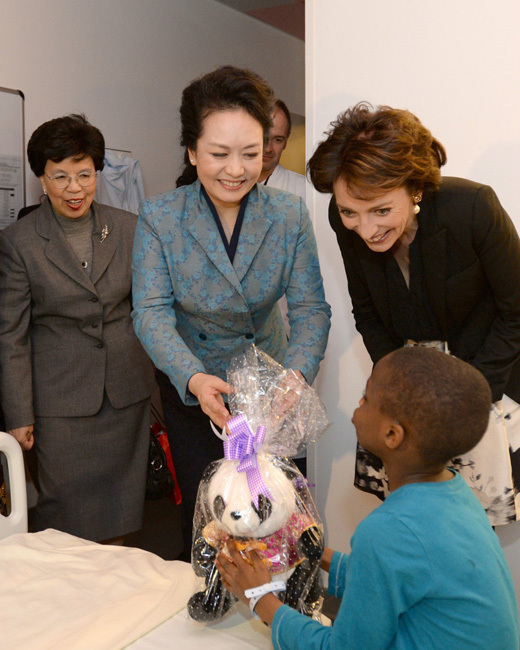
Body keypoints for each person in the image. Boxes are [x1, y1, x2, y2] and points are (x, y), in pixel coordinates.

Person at [132, 66, 331, 560]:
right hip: (196, 390)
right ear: (192, 151)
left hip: (272, 392)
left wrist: (297, 375)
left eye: (251, 153)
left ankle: (283, 620)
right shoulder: (161, 217)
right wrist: (193, 379)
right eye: (219, 154)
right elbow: (150, 313)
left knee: (277, 514)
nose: (236, 169)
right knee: (208, 517)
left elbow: (311, 309)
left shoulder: (288, 214)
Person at [216, 347, 520, 649]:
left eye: (367, 397)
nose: (358, 404)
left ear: (392, 435)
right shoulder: (457, 492)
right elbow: (387, 577)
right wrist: (310, 548)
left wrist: (259, 598)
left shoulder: (386, 531)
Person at [306, 102, 520, 526]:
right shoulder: (341, 216)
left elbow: (516, 311)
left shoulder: (473, 207)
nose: (366, 230)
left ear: (414, 188)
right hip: (404, 388)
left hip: (480, 379)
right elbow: (366, 313)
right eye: (351, 212)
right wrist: (395, 388)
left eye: (381, 211)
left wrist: (466, 396)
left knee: (469, 529)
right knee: (410, 524)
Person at [0, 114, 155, 543]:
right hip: (60, 403)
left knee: (123, 513)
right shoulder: (20, 241)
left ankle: (114, 600)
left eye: (85, 174)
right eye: (61, 176)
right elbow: (10, 335)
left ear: (97, 173)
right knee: (64, 515)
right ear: (42, 178)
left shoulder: (128, 228)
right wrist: (19, 413)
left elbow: (149, 310)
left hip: (125, 395)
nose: (75, 188)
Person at [258, 99, 306, 199]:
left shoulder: (304, 190)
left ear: (285, 142)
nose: (268, 149)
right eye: (263, 138)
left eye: (278, 140)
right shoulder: (224, 184)